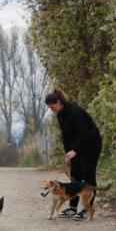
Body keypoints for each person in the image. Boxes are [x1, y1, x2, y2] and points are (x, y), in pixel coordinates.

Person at [45, 88, 102, 220]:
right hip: (77, 146)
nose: (51, 110)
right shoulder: (61, 114)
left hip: (91, 144)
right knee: (75, 175)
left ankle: (87, 209)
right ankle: (72, 208)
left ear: (59, 102)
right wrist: (68, 154)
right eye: (50, 108)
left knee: (88, 176)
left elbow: (84, 132)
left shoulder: (74, 111)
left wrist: (74, 150)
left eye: (52, 107)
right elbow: (66, 136)